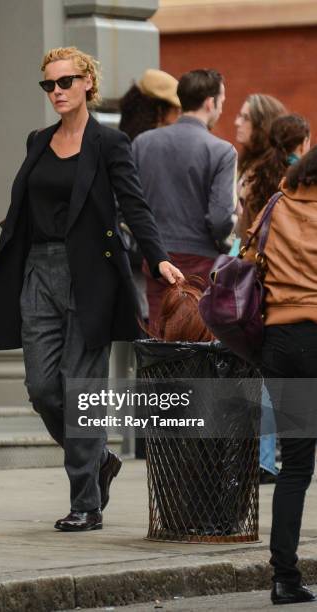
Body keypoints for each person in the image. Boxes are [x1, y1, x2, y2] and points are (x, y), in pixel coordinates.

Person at [0, 46, 183, 533]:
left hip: (90, 275)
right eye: (49, 85)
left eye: (66, 82)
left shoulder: (110, 143)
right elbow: (31, 199)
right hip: (38, 271)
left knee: (82, 391)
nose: (57, 91)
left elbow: (134, 206)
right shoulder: (37, 141)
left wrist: (157, 258)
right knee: (43, 388)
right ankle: (99, 460)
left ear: (87, 84)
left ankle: (86, 502)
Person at [245, 146, 317, 605]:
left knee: (295, 466)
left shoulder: (277, 203)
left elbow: (250, 256)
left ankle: (283, 577)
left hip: (281, 345)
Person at [132, 69, 237, 333]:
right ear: (210, 102)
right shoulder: (222, 151)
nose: (221, 109)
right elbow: (222, 218)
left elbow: (128, 203)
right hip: (201, 258)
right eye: (222, 102)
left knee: (160, 334)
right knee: (199, 341)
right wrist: (225, 243)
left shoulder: (142, 143)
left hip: (156, 256)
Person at [242, 113, 311, 485]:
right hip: (306, 308)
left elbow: (244, 237)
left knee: (268, 389)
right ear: (302, 143)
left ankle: (265, 459)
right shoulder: (301, 185)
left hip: (270, 302)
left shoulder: (257, 181)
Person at [119, 69, 181, 321]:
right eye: (174, 108)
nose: (179, 115)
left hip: (135, 246)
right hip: (146, 246)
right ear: (159, 109)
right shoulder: (145, 144)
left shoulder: (127, 139)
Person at [234, 93, 287, 240]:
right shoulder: (250, 163)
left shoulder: (273, 171)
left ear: (263, 124)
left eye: (245, 118)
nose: (237, 122)